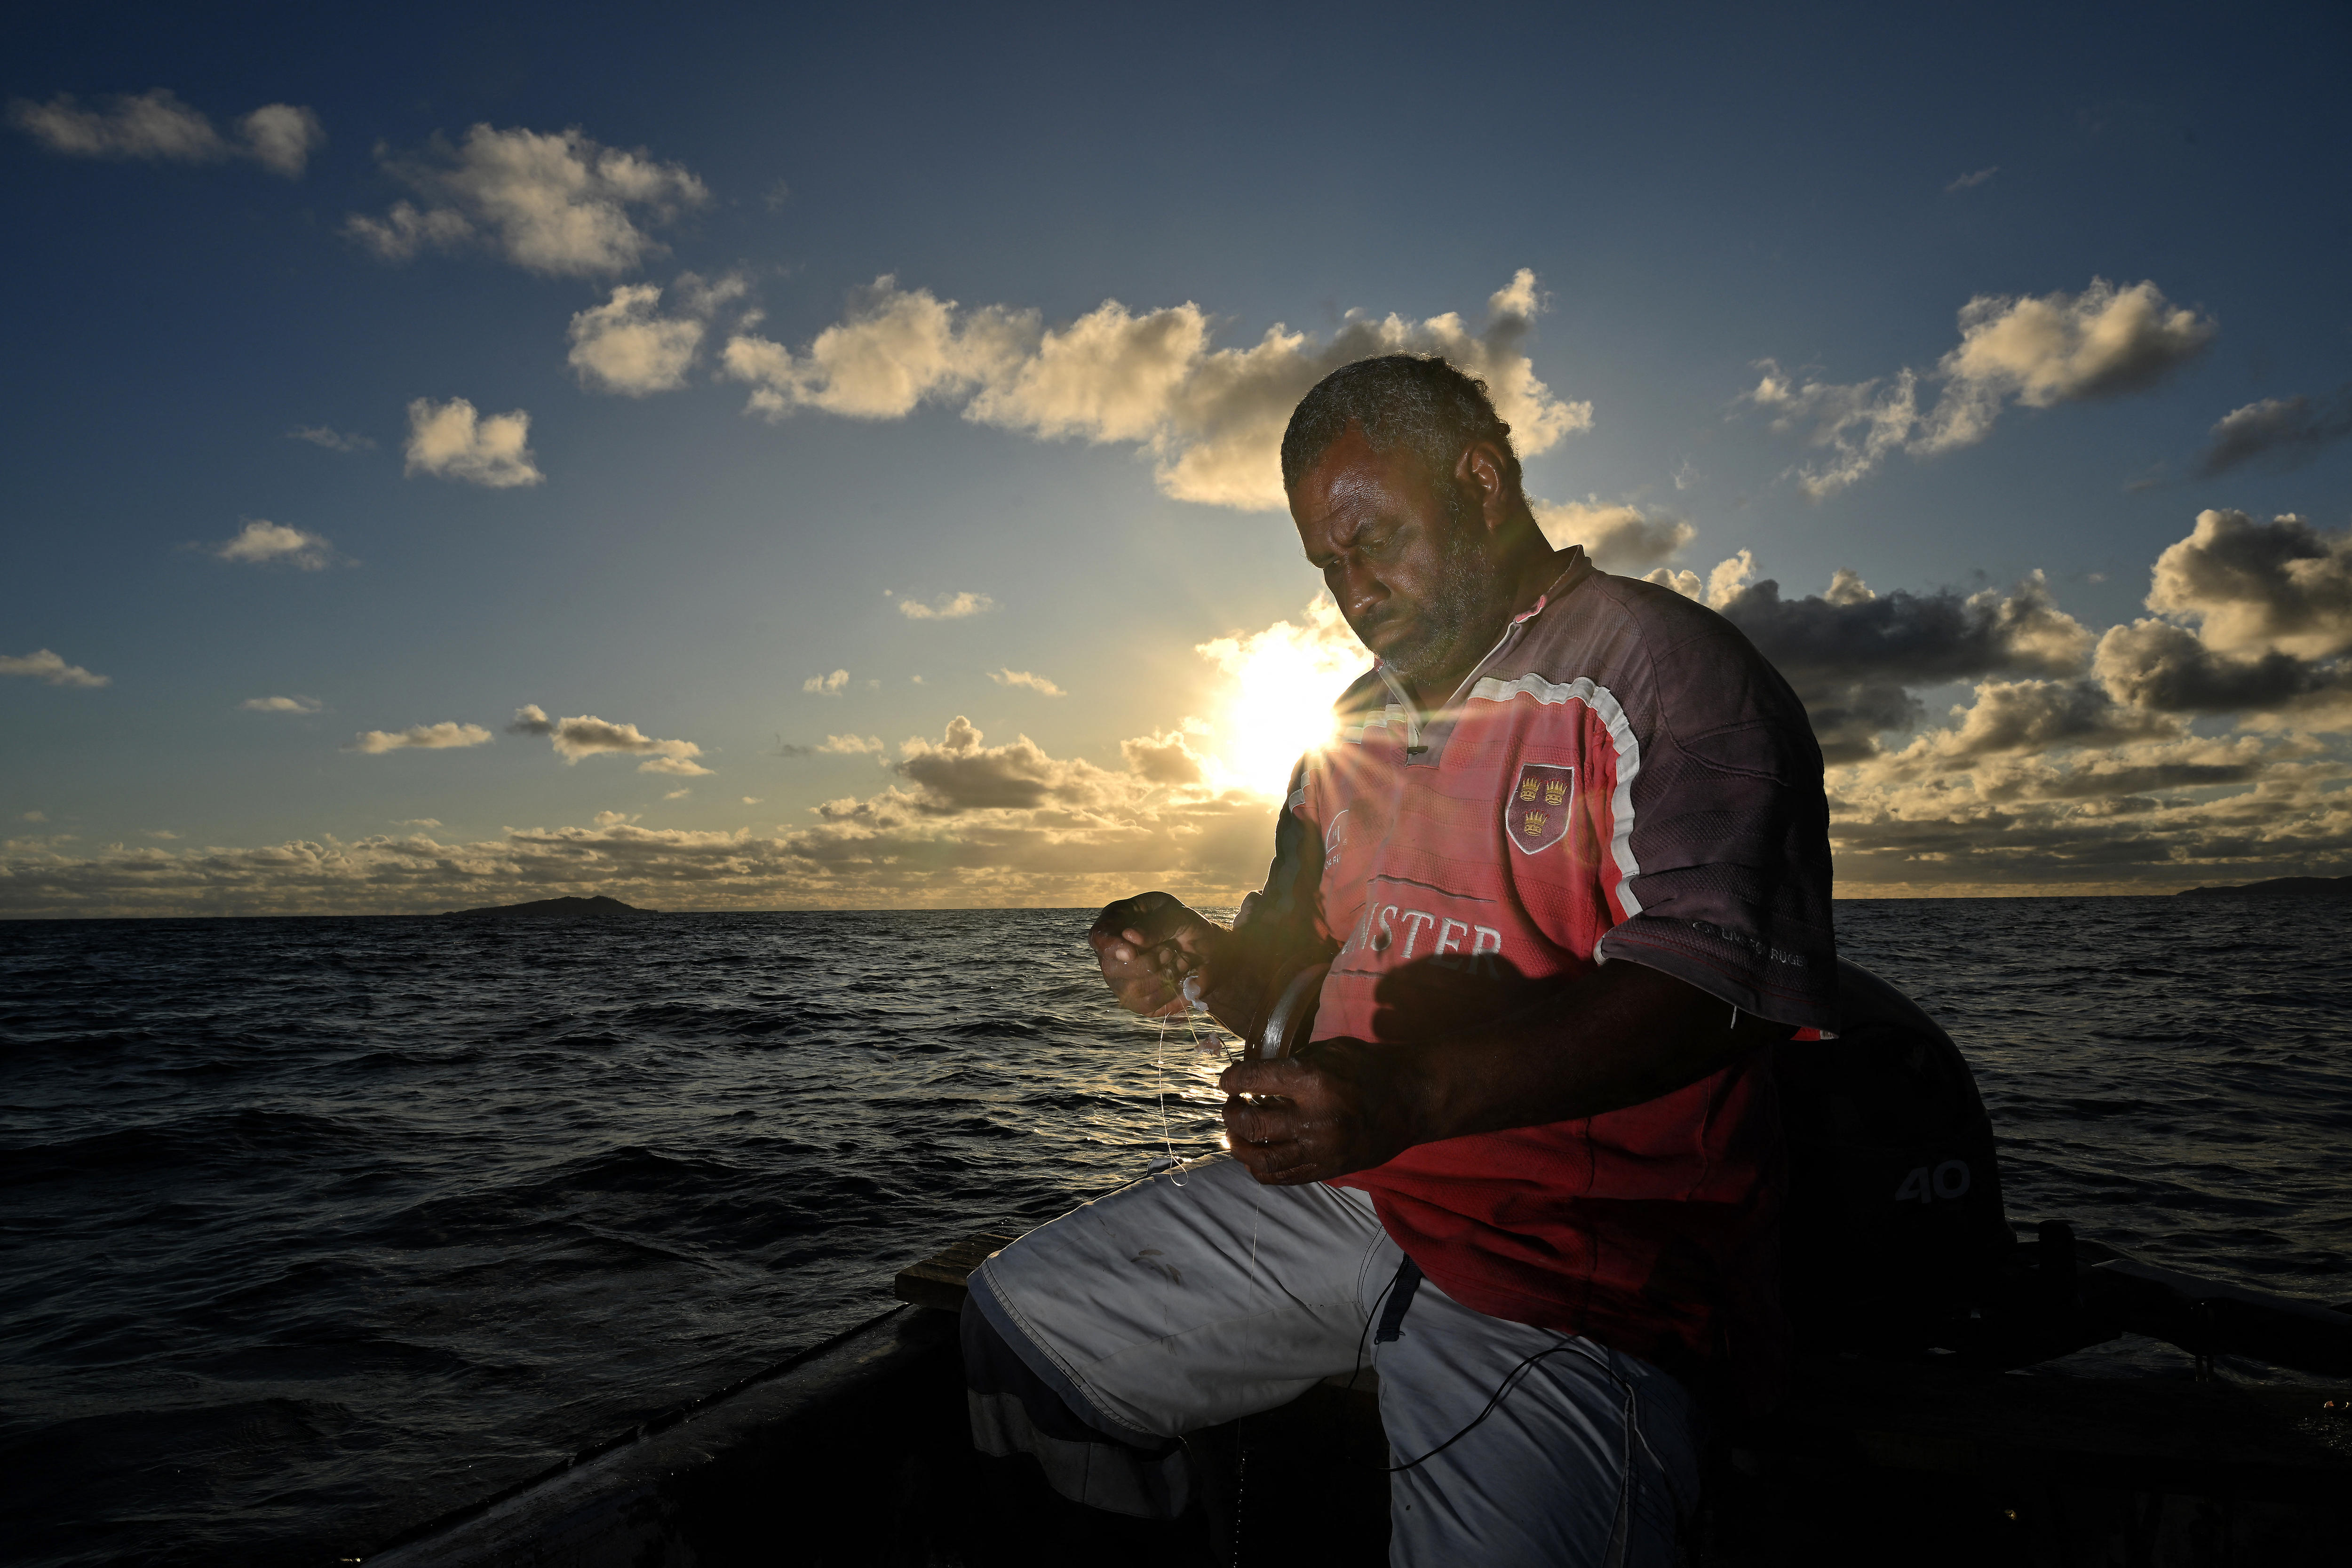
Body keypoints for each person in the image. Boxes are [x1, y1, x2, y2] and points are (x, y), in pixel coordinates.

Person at [961, 353, 1836, 1564]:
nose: (1351, 586)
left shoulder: (1669, 673)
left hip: (1588, 1270)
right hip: (1364, 1195)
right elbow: (1284, 964)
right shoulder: (1344, 732)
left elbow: (1710, 992)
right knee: (1023, 1328)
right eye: (1325, 563)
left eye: (1371, 537)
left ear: (1479, 482)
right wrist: (1197, 954)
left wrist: (1411, 1092)